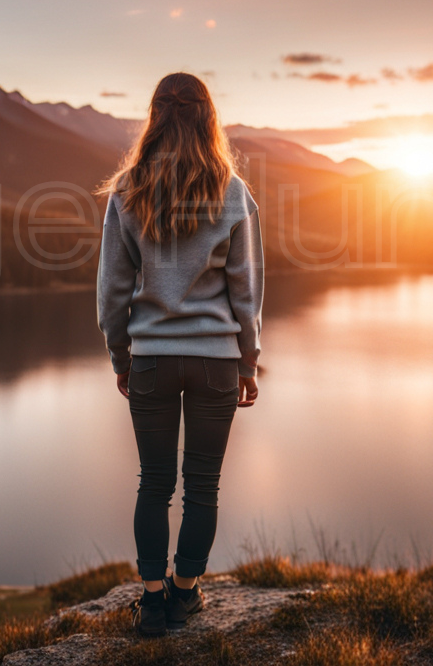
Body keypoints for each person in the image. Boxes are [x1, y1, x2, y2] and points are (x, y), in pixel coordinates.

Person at [96, 72, 263, 636]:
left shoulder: (126, 191)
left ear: (154, 116)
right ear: (207, 117)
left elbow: (112, 293)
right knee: (203, 486)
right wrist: (248, 359)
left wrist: (122, 358)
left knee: (153, 482)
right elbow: (246, 290)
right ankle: (185, 593)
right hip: (216, 362)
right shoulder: (233, 192)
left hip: (152, 361)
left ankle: (150, 599)